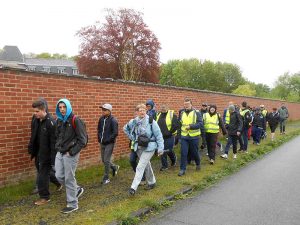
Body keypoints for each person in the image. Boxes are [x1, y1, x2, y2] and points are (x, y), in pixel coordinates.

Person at [55, 99, 87, 214]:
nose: (62, 109)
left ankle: (73, 204)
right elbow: (58, 136)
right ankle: (77, 189)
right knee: (58, 175)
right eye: (60, 107)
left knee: (69, 178)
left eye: (64, 107)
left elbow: (83, 140)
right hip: (60, 152)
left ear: (68, 107)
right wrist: (57, 147)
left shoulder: (76, 120)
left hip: (71, 153)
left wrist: (72, 152)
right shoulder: (59, 121)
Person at [123, 104, 164, 195]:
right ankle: (152, 182)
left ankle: (133, 188)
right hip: (139, 147)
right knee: (146, 165)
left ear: (146, 111)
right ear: (137, 112)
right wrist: (132, 137)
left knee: (140, 166)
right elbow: (125, 128)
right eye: (140, 110)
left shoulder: (151, 121)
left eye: (143, 110)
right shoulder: (134, 121)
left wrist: (160, 148)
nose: (142, 112)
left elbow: (159, 135)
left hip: (150, 147)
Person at [29, 100, 61, 206]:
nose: (35, 113)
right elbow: (34, 135)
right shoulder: (36, 120)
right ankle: (58, 183)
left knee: (42, 175)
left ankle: (44, 197)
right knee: (44, 172)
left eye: (37, 111)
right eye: (34, 111)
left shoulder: (51, 122)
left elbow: (53, 143)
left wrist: (53, 159)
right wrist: (31, 149)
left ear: (43, 110)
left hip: (46, 155)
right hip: (38, 152)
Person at [178, 98, 204, 176]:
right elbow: (180, 125)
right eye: (185, 104)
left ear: (191, 104)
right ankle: (182, 169)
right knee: (183, 153)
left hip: (194, 136)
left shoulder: (197, 112)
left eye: (188, 104)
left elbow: (200, 124)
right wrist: (179, 136)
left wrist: (191, 126)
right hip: (184, 136)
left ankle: (198, 163)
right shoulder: (182, 112)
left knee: (194, 152)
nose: (186, 106)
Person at [97, 103, 119, 185]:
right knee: (103, 160)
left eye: (105, 110)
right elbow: (99, 129)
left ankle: (106, 178)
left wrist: (108, 140)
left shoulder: (113, 120)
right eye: (102, 109)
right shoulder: (101, 119)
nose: (103, 111)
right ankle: (114, 167)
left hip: (109, 143)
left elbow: (115, 133)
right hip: (102, 142)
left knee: (106, 160)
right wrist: (99, 138)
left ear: (109, 111)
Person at [156, 104, 178, 171]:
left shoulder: (172, 114)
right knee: (162, 150)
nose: (163, 108)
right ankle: (164, 166)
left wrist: (169, 132)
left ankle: (174, 158)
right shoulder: (158, 115)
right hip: (160, 137)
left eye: (164, 107)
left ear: (168, 108)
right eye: (162, 107)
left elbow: (175, 125)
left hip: (169, 136)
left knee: (168, 150)